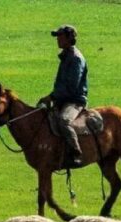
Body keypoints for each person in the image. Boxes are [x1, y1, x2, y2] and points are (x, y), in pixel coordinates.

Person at [42, 25, 88, 166]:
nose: (58, 39)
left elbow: (71, 87)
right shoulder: (66, 56)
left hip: (74, 101)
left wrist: (52, 97)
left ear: (69, 38)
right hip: (62, 99)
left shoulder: (75, 59)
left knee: (64, 120)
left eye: (60, 36)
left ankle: (76, 152)